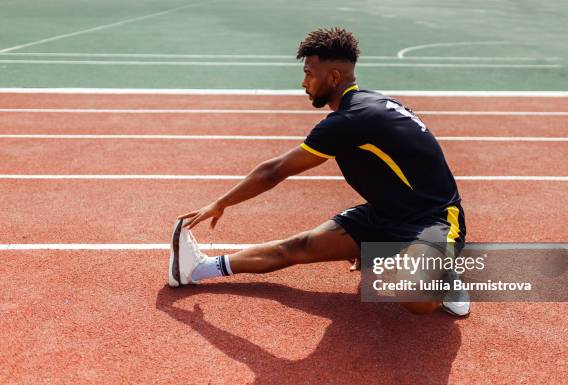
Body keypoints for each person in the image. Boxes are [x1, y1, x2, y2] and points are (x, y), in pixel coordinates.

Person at [168, 27, 469, 316]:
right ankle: (200, 268)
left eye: (309, 74)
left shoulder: (351, 119)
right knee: (299, 246)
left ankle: (446, 274)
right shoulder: (366, 105)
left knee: (413, 296)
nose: (304, 83)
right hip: (385, 215)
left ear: (333, 77)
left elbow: (274, 171)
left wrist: (220, 203)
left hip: (433, 218)